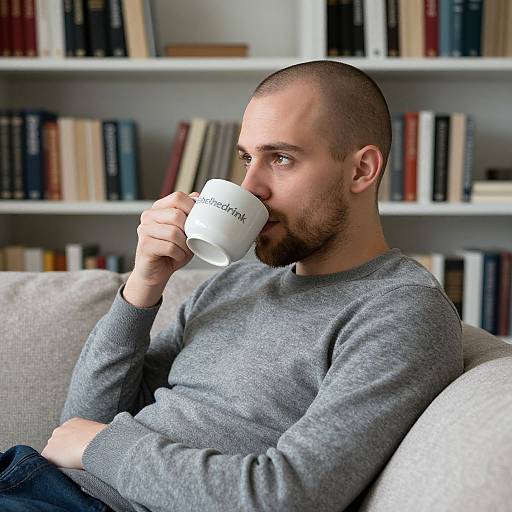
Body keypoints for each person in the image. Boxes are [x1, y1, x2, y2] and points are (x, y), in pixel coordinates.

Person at [0, 60, 463, 512]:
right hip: (31, 478)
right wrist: (144, 284)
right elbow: (82, 419)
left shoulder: (399, 310)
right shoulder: (234, 283)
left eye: (281, 158)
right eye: (246, 158)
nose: (250, 186)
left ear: (362, 170)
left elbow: (290, 496)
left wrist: (102, 446)